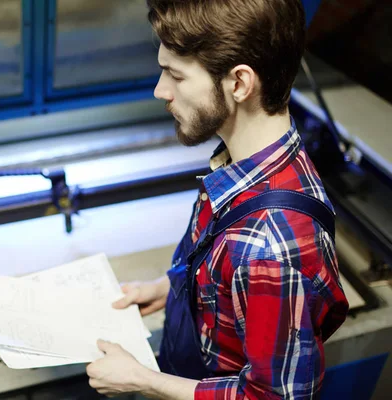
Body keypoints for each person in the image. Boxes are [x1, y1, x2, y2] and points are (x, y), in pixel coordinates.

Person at [85, 0, 349, 398]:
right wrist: (170, 288)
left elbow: (269, 396)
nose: (161, 90)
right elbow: (224, 271)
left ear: (239, 84)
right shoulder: (246, 164)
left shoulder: (271, 248)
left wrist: (144, 380)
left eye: (175, 75)